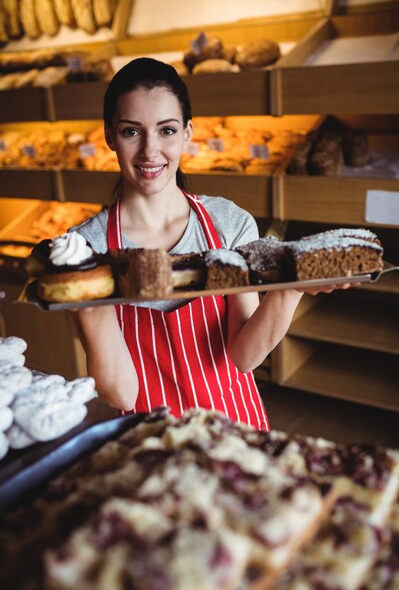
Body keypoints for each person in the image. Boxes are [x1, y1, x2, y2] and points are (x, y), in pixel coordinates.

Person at [72, 57, 349, 430]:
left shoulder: (228, 224)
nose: (150, 151)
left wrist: (290, 291)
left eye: (166, 130)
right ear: (109, 136)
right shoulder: (84, 250)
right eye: (131, 132)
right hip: (148, 437)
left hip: (233, 424)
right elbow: (120, 394)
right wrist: (88, 300)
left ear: (187, 132)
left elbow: (245, 356)